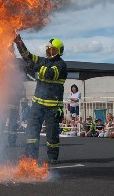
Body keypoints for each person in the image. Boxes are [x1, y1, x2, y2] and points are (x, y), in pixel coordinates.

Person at [14, 33, 67, 164]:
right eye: (48, 49)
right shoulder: (44, 61)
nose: (49, 52)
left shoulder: (61, 65)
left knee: (52, 135)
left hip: (52, 107)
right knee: (31, 132)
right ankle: (30, 157)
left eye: (52, 50)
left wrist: (33, 66)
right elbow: (28, 57)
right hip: (37, 105)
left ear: (58, 51)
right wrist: (19, 43)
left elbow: (50, 73)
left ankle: (52, 158)